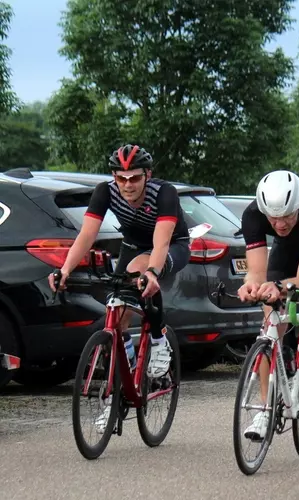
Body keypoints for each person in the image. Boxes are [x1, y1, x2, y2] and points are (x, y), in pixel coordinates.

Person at [48, 144, 190, 430]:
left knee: (139, 271)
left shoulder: (164, 193)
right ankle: (120, 388)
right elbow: (87, 235)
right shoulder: (105, 191)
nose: (127, 185)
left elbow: (161, 241)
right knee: (117, 311)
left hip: (171, 246)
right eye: (121, 178)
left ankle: (159, 340)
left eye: (134, 178)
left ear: (147, 175)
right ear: (114, 177)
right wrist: (64, 270)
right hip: (132, 246)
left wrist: (152, 272)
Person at [237, 170, 299, 441]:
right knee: (269, 320)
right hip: (286, 249)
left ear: (298, 207)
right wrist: (252, 286)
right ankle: (264, 408)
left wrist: (280, 286)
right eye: (273, 218)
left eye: (287, 216)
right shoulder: (253, 215)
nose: (279, 224)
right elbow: (257, 271)